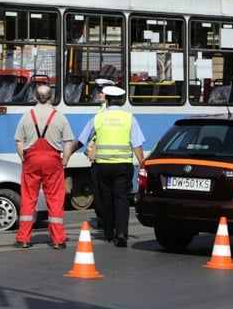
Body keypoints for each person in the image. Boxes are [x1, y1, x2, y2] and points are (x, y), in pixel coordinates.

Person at [63, 86, 145, 248]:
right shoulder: (129, 118)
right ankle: (121, 234)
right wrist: (143, 164)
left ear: (106, 100)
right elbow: (137, 145)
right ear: (121, 101)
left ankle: (108, 232)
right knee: (121, 199)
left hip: (103, 166)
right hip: (123, 166)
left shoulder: (97, 119)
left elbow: (81, 140)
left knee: (105, 199)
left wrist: (68, 154)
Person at [13, 85, 74, 250]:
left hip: (31, 160)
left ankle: (24, 239)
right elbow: (68, 143)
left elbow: (19, 141)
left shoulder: (27, 116)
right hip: (53, 161)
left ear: (35, 97)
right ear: (51, 97)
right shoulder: (60, 117)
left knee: (28, 199)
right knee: (55, 199)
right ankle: (58, 240)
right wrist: (64, 161)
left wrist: (23, 157)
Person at [87, 78, 114, 229]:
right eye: (98, 90)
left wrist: (93, 150)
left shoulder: (104, 112)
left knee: (101, 192)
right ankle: (105, 219)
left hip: (102, 158)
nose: (99, 93)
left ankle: (105, 220)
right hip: (101, 157)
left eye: (102, 91)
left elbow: (99, 134)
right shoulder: (102, 109)